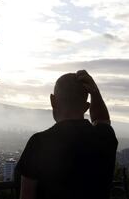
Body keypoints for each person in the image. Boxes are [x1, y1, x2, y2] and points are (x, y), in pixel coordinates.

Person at [16, 70, 118, 199]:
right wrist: (95, 92)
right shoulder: (105, 138)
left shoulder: (39, 143)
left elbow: (27, 196)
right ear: (86, 107)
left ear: (53, 100)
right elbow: (102, 119)